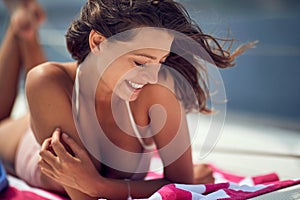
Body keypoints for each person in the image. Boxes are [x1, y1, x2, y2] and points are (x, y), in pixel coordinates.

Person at [0, 0, 255, 199]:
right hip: (17, 141)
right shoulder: (46, 82)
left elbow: (182, 187)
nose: (152, 75)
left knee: (52, 85)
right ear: (98, 41)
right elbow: (85, 196)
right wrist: (102, 187)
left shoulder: (157, 88)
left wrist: (99, 184)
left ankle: (25, 25)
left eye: (161, 61)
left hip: (62, 101)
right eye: (140, 61)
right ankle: (22, 27)